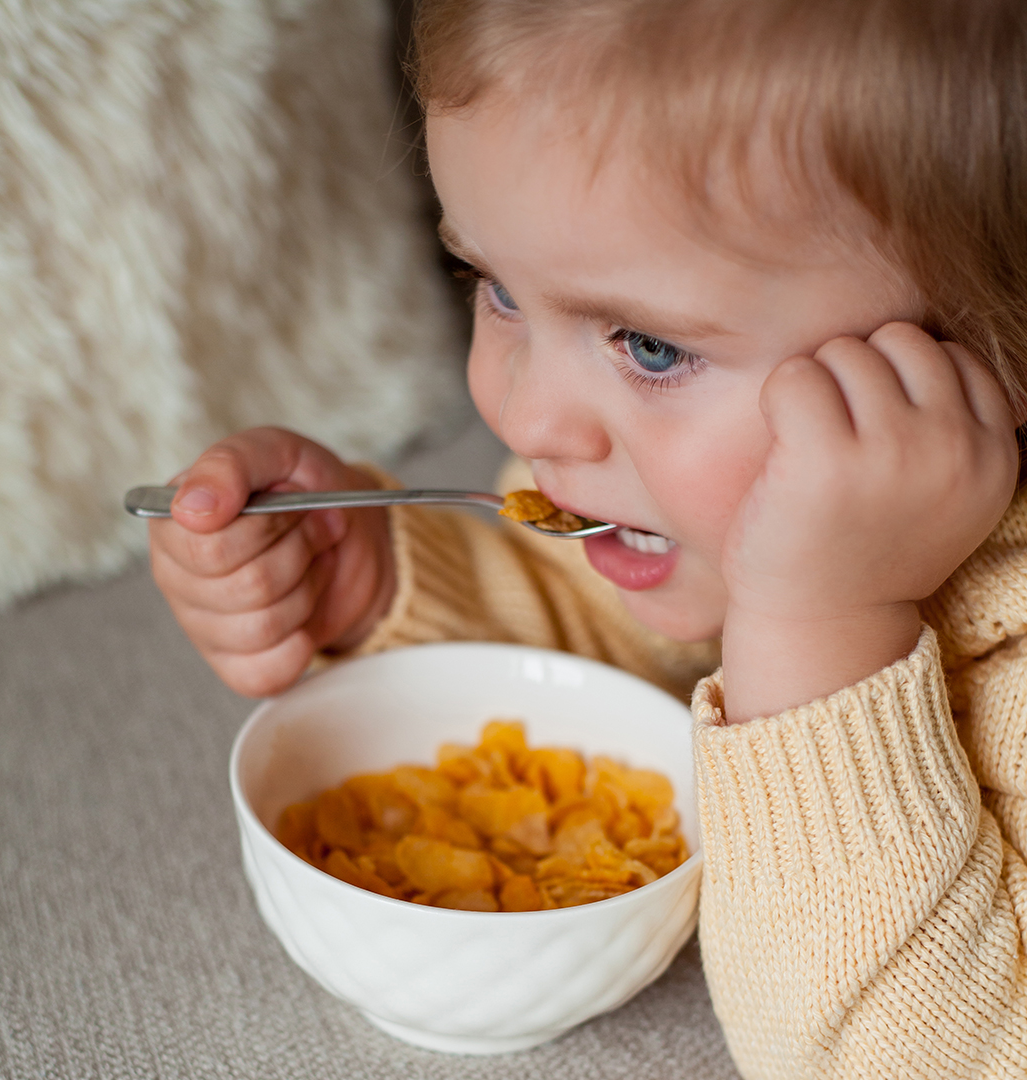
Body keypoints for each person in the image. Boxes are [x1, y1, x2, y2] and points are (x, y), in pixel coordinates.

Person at [147, 1, 1027, 1075]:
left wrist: (828, 628)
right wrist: (377, 586)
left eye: (650, 347)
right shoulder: (665, 491)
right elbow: (616, 629)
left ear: (998, 347)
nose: (525, 420)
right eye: (499, 290)